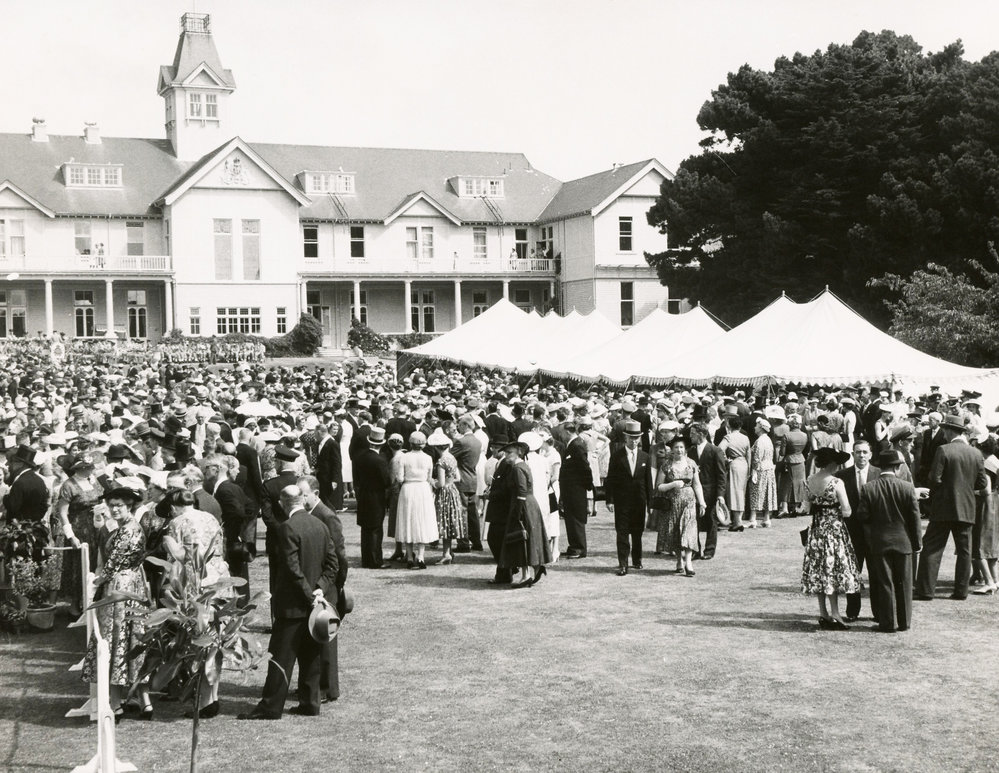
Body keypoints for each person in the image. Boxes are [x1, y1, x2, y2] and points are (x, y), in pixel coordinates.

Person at [239, 485, 338, 720]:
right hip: (314, 604)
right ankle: (310, 702)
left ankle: (271, 706)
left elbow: (293, 570)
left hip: (293, 606)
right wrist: (319, 590)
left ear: (282, 504)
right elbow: (332, 564)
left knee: (281, 658)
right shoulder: (320, 525)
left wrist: (309, 595)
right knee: (311, 656)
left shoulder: (287, 528)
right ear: (302, 500)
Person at [81, 481, 152, 720]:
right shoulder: (125, 527)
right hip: (131, 584)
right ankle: (143, 701)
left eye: (119, 506)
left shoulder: (129, 529)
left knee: (117, 638)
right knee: (130, 638)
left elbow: (111, 566)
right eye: (111, 505)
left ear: (129, 506)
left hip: (121, 586)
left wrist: (95, 583)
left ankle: (116, 703)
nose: (114, 510)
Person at [163, 488, 232, 718]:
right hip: (219, 578)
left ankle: (203, 701)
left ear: (174, 507)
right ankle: (212, 696)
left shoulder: (177, 523)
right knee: (216, 638)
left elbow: (179, 559)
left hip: (197, 581)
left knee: (199, 641)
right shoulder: (210, 517)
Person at [916, 414, 989, 601]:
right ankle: (961, 591)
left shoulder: (944, 450)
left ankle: (925, 590)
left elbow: (934, 479)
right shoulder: (976, 453)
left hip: (943, 507)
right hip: (966, 508)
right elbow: (981, 483)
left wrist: (945, 489)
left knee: (932, 547)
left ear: (949, 431)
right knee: (965, 551)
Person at [855, 449, 924, 632]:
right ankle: (904, 622)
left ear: (880, 466)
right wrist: (917, 543)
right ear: (897, 467)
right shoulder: (908, 487)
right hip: (904, 542)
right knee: (905, 583)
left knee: (885, 583)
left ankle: (887, 623)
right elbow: (915, 519)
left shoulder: (869, 488)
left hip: (880, 541)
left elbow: (862, 515)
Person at [298, 476, 347, 704]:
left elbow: (339, 557)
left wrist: (334, 585)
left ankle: (328, 688)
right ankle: (316, 685)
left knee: (326, 638)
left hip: (327, 586)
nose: (301, 498)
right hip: (318, 584)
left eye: (304, 494)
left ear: (315, 493)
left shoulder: (327, 516)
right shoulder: (309, 514)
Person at [801, 447, 861, 630]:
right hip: (834, 531)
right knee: (832, 571)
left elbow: (805, 507)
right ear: (831, 463)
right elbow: (847, 510)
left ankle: (823, 613)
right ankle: (835, 613)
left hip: (817, 531)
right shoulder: (836, 482)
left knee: (820, 571)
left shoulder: (809, 481)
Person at [835, 440, 880, 622]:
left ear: (870, 454)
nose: (861, 456)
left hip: (875, 533)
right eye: (858, 452)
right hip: (852, 533)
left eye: (864, 452)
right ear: (853, 454)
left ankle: (878, 611)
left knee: (877, 573)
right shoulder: (842, 476)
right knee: (852, 572)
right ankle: (852, 611)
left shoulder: (879, 474)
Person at [498, 440, 551, 587]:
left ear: (519, 453)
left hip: (523, 505)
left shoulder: (518, 468)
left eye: (510, 453)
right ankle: (534, 568)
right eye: (506, 453)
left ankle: (526, 575)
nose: (506, 455)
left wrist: (518, 511)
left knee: (521, 539)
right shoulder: (521, 466)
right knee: (526, 538)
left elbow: (521, 490)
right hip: (527, 504)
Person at [56, 454, 103, 617]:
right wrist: (71, 536)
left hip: (95, 528)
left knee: (95, 562)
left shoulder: (93, 481)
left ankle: (90, 600)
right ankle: (74, 604)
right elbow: (62, 513)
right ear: (80, 468)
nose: (91, 469)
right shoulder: (69, 485)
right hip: (78, 529)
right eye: (88, 467)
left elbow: (100, 499)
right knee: (78, 565)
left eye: (91, 467)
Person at [204, 454, 252, 605]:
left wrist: (228, 532)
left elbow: (239, 512)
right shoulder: (229, 487)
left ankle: (237, 609)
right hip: (233, 538)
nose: (204, 471)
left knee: (233, 576)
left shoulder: (225, 489)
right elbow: (249, 507)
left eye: (207, 468)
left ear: (216, 469)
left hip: (229, 540)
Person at [604, 421, 650, 576]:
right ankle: (623, 564)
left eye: (636, 438)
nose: (634, 440)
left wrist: (650, 503)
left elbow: (648, 481)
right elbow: (610, 479)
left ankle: (637, 560)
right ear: (625, 438)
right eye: (631, 438)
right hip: (622, 501)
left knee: (637, 532)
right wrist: (609, 499)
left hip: (639, 501)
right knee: (622, 532)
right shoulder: (617, 456)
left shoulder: (645, 457)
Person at [656, 436, 705, 576]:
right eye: (676, 447)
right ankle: (679, 560)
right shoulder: (666, 465)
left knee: (689, 531)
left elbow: (697, 484)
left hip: (689, 503)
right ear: (672, 449)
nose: (679, 450)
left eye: (681, 447)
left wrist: (702, 502)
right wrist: (672, 484)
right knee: (676, 532)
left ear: (685, 449)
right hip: (672, 504)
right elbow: (659, 486)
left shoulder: (691, 464)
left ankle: (688, 562)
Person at [394, 431, 439, 569]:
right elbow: (429, 477)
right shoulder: (428, 458)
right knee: (421, 520)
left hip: (408, 489)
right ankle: (420, 556)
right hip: (423, 489)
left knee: (408, 520)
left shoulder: (404, 457)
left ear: (410, 443)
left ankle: (409, 556)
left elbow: (400, 478)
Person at [352, 427, 390, 568]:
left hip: (363, 494)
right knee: (375, 528)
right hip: (376, 496)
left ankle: (366, 559)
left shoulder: (359, 457)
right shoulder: (379, 460)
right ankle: (375, 560)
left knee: (366, 529)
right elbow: (386, 481)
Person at [688, 422, 726, 559]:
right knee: (694, 522)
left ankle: (709, 550)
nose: (690, 436)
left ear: (701, 434)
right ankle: (695, 550)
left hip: (711, 493)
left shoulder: (715, 451)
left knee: (711, 522)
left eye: (692, 434)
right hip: (694, 492)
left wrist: (720, 495)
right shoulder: (690, 451)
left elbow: (722, 475)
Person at [427, 428, 465, 564]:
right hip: (453, 491)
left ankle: (446, 553)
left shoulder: (441, 461)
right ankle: (448, 552)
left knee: (444, 522)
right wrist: (449, 481)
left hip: (444, 494)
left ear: (437, 447)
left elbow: (441, 483)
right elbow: (458, 478)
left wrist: (431, 481)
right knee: (449, 522)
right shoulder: (452, 458)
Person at [559, 422, 593, 559]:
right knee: (571, 518)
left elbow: (585, 467)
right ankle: (574, 546)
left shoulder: (577, 445)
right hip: (570, 488)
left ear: (567, 431)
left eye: (561, 432)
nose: (560, 435)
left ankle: (579, 548)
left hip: (576, 488)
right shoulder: (573, 444)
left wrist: (587, 486)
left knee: (576, 518)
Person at [450, 414, 483, 553]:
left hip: (462, 479)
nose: (458, 427)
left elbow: (450, 457)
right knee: (472, 513)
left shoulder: (462, 442)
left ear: (466, 426)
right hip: (472, 479)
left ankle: (463, 542)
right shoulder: (477, 441)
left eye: (460, 425)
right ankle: (476, 541)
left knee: (461, 512)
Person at [972, 455, 999, 594]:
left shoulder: (986, 475)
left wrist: (973, 492)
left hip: (985, 508)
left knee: (979, 546)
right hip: (993, 507)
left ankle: (989, 582)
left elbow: (986, 490)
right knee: (991, 545)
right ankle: (995, 579)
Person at [719, 414, 750, 531]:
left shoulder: (728, 437)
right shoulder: (745, 437)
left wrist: (726, 460)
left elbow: (719, 449)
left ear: (729, 426)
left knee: (734, 492)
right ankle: (738, 520)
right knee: (741, 492)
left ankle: (737, 521)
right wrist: (749, 468)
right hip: (744, 464)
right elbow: (749, 454)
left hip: (734, 464)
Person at [747, 418, 777, 528]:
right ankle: (766, 518)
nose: (754, 428)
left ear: (760, 428)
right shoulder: (768, 440)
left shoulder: (760, 441)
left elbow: (757, 458)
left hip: (761, 469)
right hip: (769, 468)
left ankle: (753, 518)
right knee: (768, 492)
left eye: (756, 426)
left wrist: (754, 471)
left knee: (756, 492)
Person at [777, 414, 809, 517]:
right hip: (800, 460)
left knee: (786, 484)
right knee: (799, 484)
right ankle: (795, 507)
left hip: (789, 460)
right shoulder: (804, 435)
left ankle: (785, 508)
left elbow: (782, 452)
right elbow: (806, 449)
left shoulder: (787, 435)